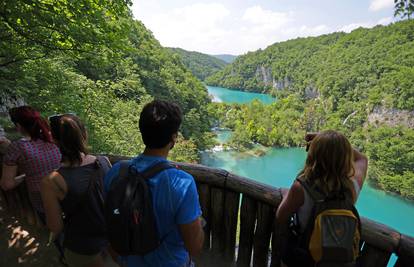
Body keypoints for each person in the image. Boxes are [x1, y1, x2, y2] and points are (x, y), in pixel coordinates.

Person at [104, 100, 204, 267]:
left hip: (127, 261)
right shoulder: (182, 183)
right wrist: (199, 222)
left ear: (142, 130)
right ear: (173, 138)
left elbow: (109, 218)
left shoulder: (116, 172)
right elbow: (194, 247)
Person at [276, 130, 368, 267]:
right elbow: (362, 159)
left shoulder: (301, 187)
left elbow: (281, 216)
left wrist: (285, 194)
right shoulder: (352, 187)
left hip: (302, 258)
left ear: (314, 155)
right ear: (346, 158)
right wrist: (336, 144)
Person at [41, 114, 114, 267]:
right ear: (84, 135)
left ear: (54, 140)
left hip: (82, 247)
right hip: (111, 240)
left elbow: (55, 226)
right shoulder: (104, 162)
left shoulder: (52, 181)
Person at [1, 106, 61, 218]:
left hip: (42, 200)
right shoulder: (53, 138)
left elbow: (6, 185)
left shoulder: (18, 147)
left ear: (18, 126)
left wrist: (25, 175)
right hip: (64, 191)